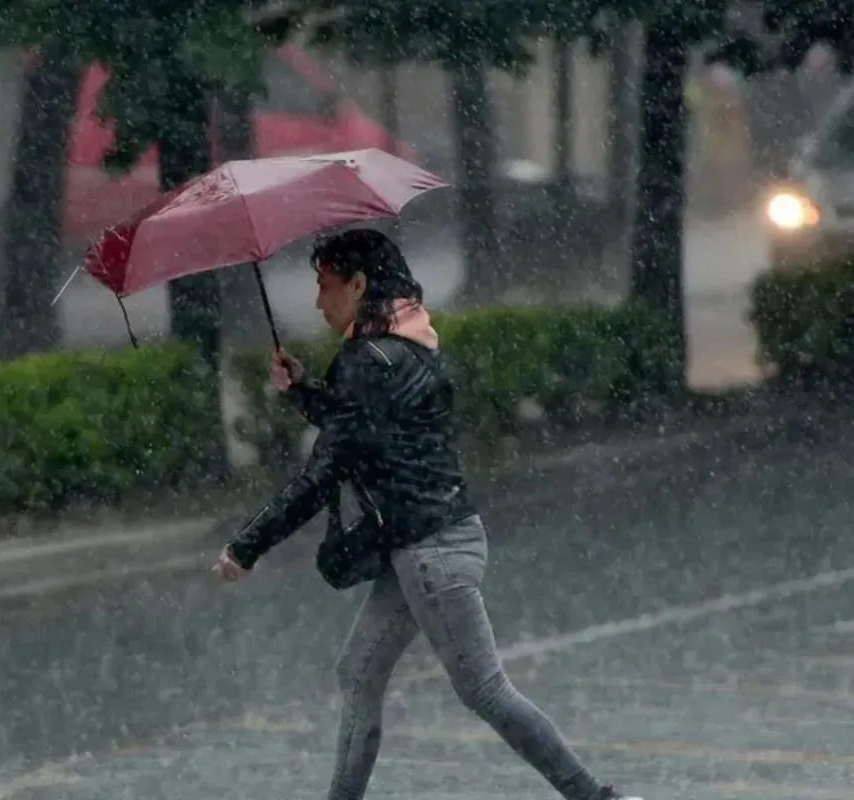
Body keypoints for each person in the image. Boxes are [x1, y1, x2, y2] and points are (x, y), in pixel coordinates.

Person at [210, 229, 642, 800]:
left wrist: (246, 546)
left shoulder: (366, 361)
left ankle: (595, 798)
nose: (317, 301)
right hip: (433, 540)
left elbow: (323, 473)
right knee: (359, 672)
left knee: (484, 690)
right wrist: (303, 392)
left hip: (429, 553)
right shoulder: (405, 343)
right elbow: (364, 428)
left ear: (359, 284)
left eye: (325, 286)